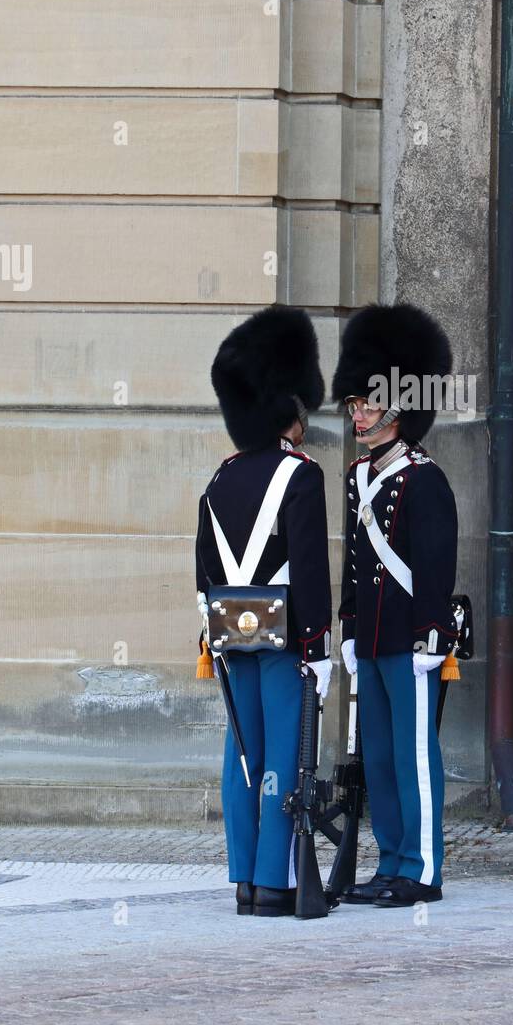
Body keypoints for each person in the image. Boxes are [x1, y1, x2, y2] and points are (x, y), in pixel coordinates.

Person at [195, 305, 332, 918]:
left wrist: (213, 625)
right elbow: (309, 568)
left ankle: (245, 879)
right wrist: (318, 645)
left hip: (227, 627)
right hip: (284, 635)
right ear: (290, 412)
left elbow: (202, 571)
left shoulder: (219, 480)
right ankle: (275, 881)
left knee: (240, 750)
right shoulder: (300, 475)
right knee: (281, 752)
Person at [332, 303, 459, 908]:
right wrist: (350, 629)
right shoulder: (356, 478)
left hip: (411, 641)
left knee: (413, 759)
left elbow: (435, 566)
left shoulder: (424, 478)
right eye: (354, 403)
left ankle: (422, 869)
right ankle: (389, 861)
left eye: (370, 402)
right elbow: (354, 565)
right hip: (374, 641)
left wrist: (430, 637)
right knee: (378, 759)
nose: (359, 412)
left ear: (399, 407)